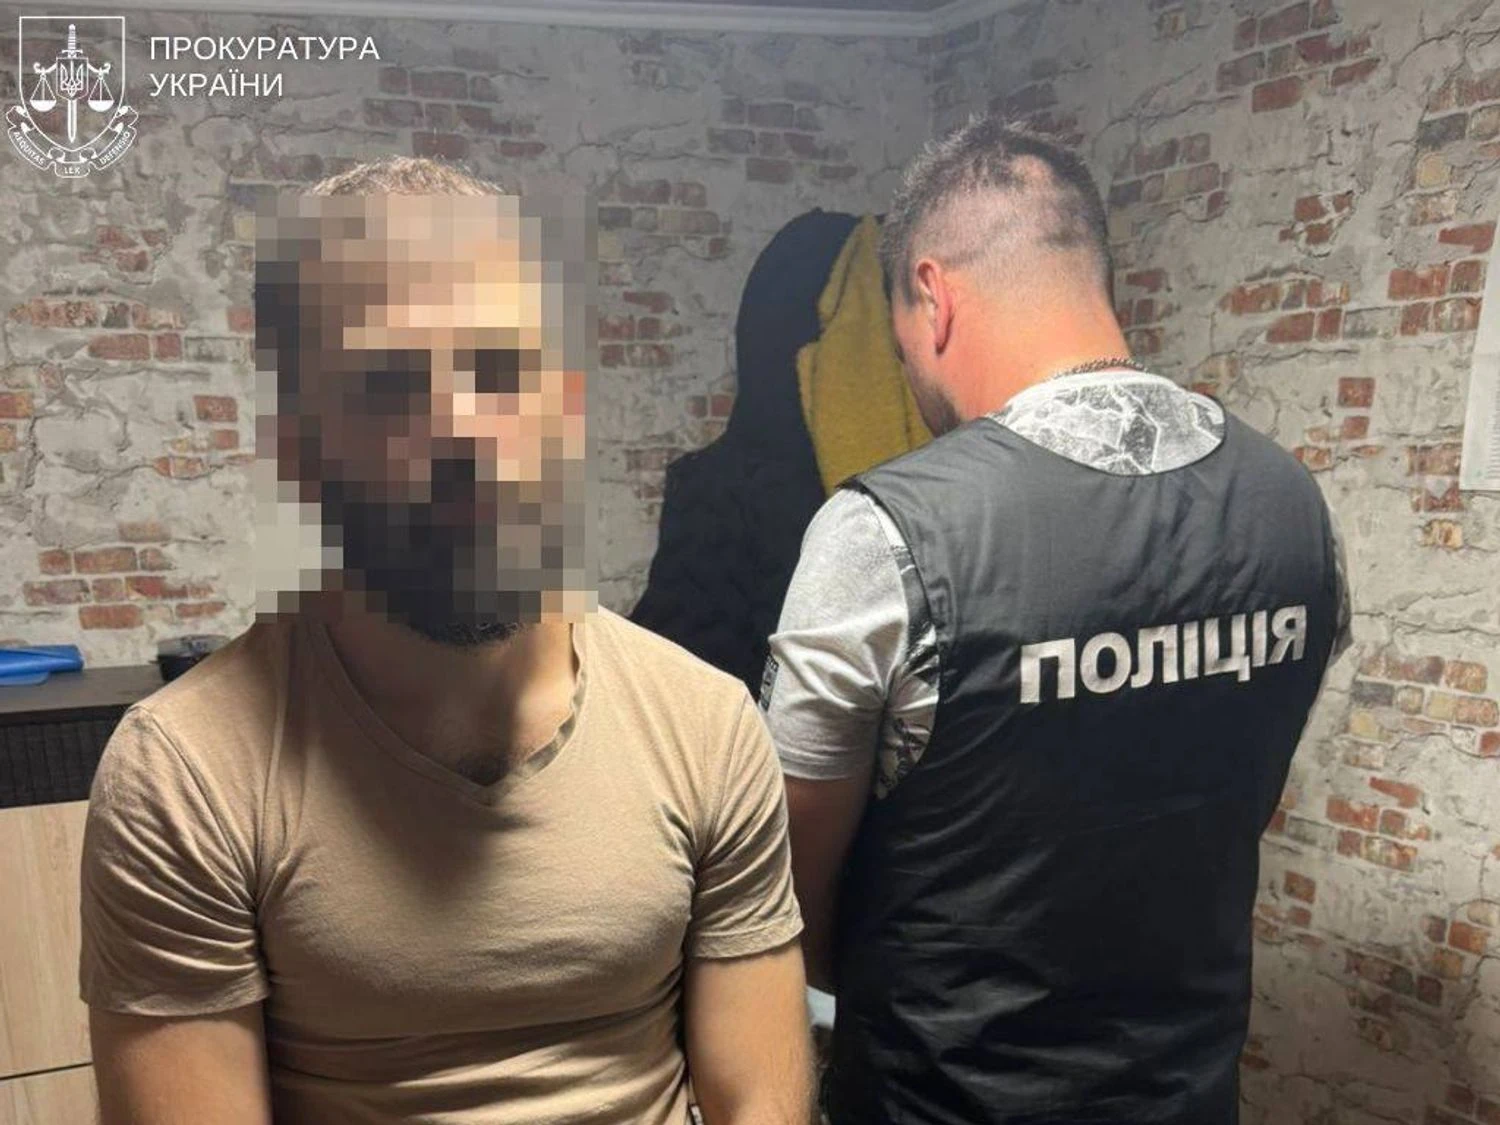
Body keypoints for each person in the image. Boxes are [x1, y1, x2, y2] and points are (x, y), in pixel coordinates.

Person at [79, 156, 814, 1125]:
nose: (464, 431)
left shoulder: (705, 728)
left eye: (501, 371)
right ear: (298, 448)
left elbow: (762, 1100)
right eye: (389, 384)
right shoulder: (187, 776)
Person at [762, 116, 1353, 1125]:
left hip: (940, 1098)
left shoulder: (886, 533)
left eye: (900, 344)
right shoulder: (1293, 505)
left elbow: (786, 892)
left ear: (934, 296)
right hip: (1186, 1096)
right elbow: (1230, 801)